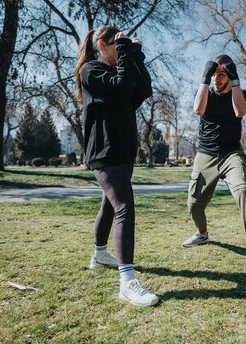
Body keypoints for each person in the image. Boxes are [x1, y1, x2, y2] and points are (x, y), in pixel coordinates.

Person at [74, 25, 158, 306]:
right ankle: (127, 282)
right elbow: (122, 85)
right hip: (104, 151)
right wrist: (125, 52)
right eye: (115, 44)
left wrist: (135, 55)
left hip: (122, 150)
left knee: (110, 205)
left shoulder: (117, 72)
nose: (118, 49)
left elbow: (142, 89)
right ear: (102, 44)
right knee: (124, 206)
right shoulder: (91, 71)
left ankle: (99, 255)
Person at [183, 54, 246, 272]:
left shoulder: (241, 94)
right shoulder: (204, 92)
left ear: (229, 76)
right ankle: (202, 234)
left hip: (231, 154)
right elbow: (198, 110)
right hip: (206, 155)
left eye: (220, 75)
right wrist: (205, 77)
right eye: (214, 74)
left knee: (242, 190)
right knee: (193, 204)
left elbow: (240, 111)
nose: (216, 79)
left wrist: (235, 80)